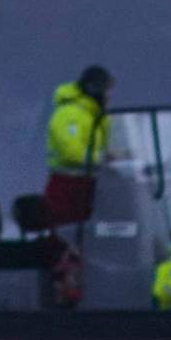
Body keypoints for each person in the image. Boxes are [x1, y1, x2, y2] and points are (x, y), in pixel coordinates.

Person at [44, 65, 113, 227]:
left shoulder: (95, 115)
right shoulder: (69, 114)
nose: (110, 96)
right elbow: (72, 153)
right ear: (95, 90)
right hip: (66, 191)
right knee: (66, 239)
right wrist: (104, 159)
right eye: (107, 90)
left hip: (89, 190)